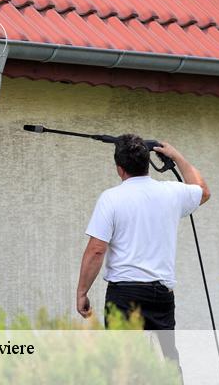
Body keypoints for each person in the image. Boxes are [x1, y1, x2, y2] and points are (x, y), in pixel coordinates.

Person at [75, 133, 210, 369]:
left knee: (123, 368)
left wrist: (82, 292)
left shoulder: (111, 198)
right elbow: (202, 190)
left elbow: (97, 250)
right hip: (161, 295)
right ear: (148, 162)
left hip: (124, 295)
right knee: (167, 364)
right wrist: (176, 156)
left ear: (119, 168)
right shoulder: (172, 192)